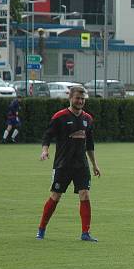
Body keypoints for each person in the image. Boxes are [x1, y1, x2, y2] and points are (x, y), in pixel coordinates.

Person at [36, 86, 101, 241]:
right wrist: (45, 150)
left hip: (81, 165)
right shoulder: (60, 116)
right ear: (70, 98)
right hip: (63, 165)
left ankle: (85, 233)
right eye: (77, 98)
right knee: (55, 196)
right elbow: (47, 136)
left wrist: (94, 164)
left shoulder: (88, 119)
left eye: (83, 99)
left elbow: (90, 145)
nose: (80, 101)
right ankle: (41, 229)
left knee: (84, 194)